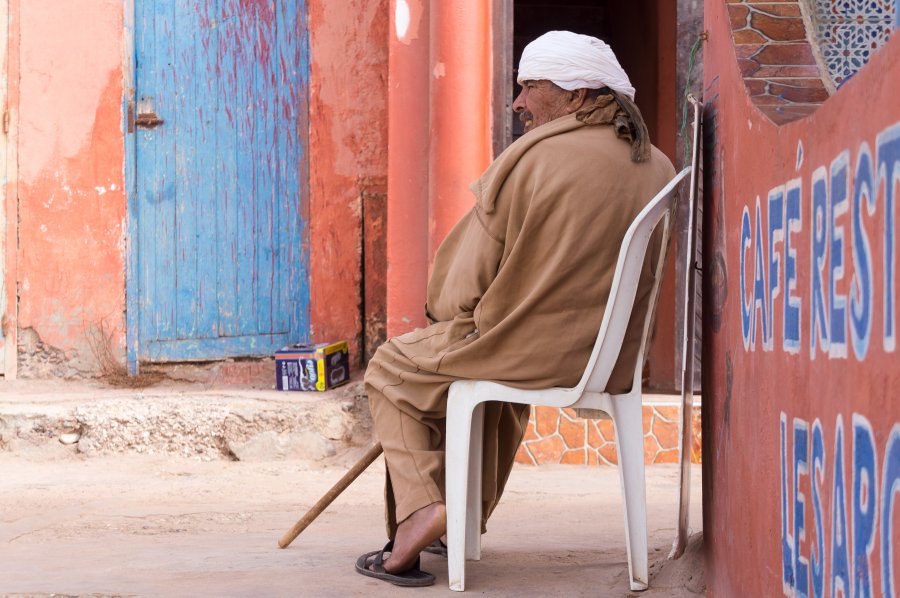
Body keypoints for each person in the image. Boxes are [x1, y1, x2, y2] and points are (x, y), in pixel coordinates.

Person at [356, 30, 676, 587]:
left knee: (390, 367)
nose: (518, 103)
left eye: (530, 88)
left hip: (520, 352)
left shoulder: (534, 157)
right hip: (603, 362)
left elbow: (457, 286)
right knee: (493, 393)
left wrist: (447, 315)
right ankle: (460, 523)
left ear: (576, 97)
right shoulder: (657, 163)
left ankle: (419, 513)